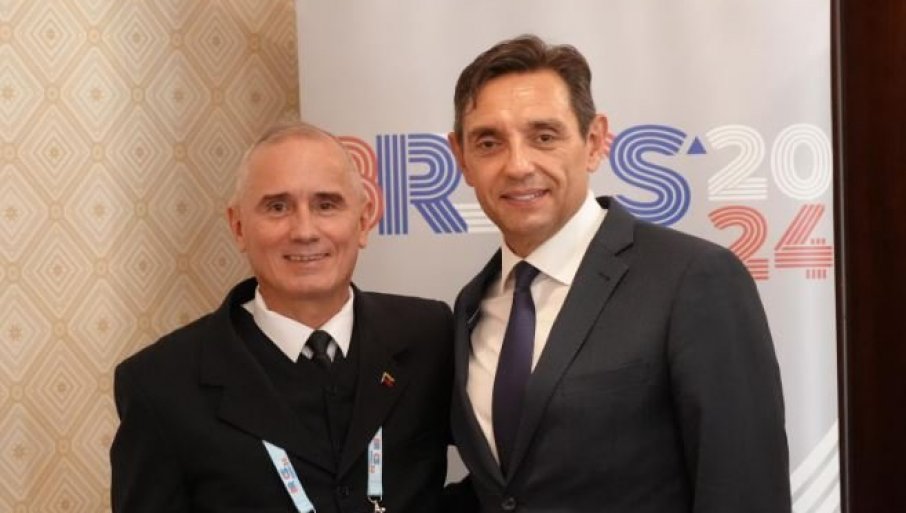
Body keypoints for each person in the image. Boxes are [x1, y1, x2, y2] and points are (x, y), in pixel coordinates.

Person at [446, 35, 791, 512]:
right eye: (489, 143)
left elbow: (745, 492)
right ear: (461, 157)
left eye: (544, 136)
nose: (518, 165)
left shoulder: (693, 279)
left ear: (593, 142)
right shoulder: (472, 305)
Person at [111, 122, 456, 513]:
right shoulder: (160, 385)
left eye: (326, 205)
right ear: (238, 227)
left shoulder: (429, 337)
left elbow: (500, 478)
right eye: (277, 207)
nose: (305, 231)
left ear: (363, 221)